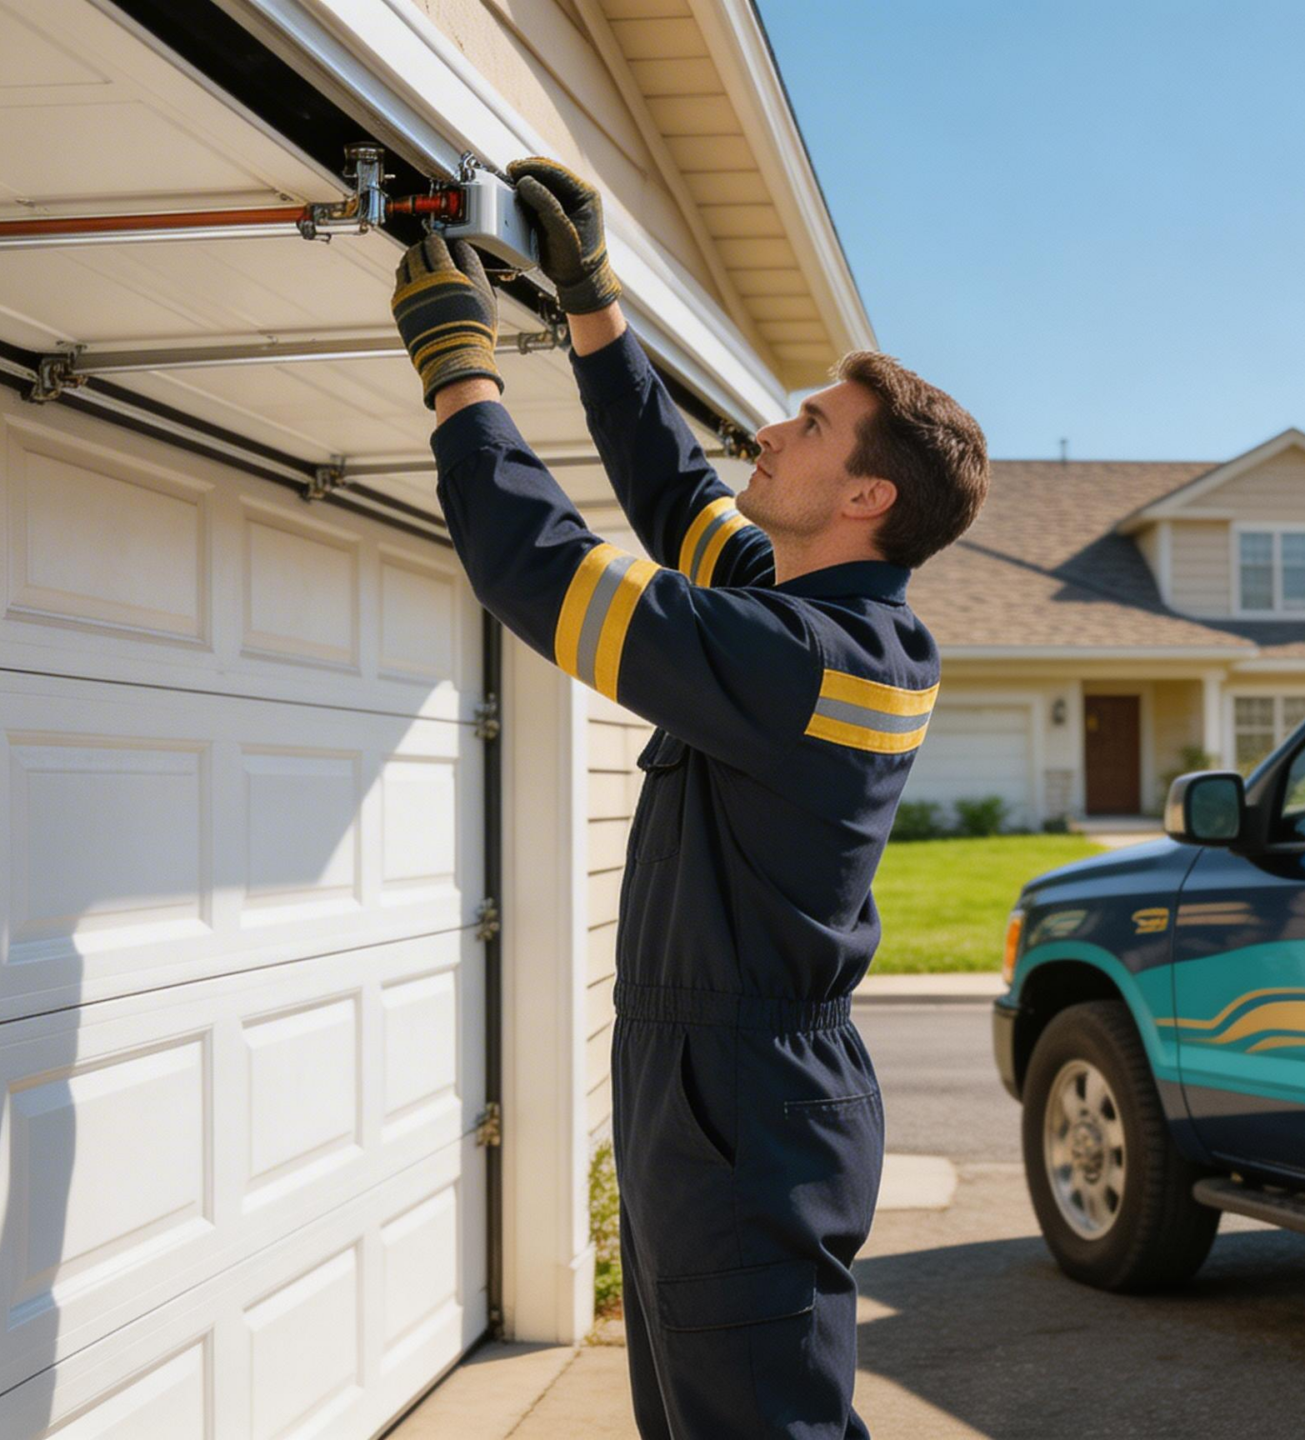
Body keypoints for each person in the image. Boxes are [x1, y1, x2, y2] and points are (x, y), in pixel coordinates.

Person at [390, 157, 988, 1438]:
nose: (769, 431)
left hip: (743, 1095)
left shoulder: (808, 660)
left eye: (809, 427)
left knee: (762, 1428)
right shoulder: (814, 616)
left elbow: (543, 569)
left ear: (867, 496)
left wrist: (462, 375)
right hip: (712, 1083)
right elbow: (674, 501)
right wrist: (594, 305)